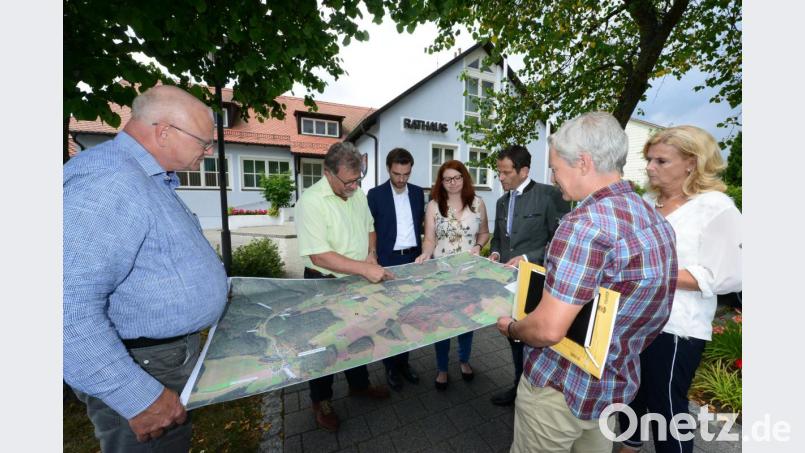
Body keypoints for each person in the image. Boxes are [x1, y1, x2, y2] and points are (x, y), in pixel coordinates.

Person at [495, 112, 678, 453]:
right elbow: (655, 313)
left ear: (582, 162)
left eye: (555, 168)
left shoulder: (583, 225)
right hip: (611, 387)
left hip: (557, 391)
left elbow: (548, 330)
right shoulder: (654, 218)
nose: (553, 178)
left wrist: (513, 329)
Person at [63, 85, 229, 451]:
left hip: (158, 360)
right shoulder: (108, 182)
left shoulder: (144, 178)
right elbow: (62, 306)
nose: (209, 151)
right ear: (164, 132)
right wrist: (136, 396)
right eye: (204, 142)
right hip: (142, 368)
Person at [618, 126, 742, 453]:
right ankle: (629, 445)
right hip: (632, 319)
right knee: (631, 392)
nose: (649, 167)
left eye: (661, 161)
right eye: (649, 159)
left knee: (667, 409)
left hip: (675, 328)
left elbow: (728, 275)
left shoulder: (716, 207)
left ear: (691, 162)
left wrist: (651, 274)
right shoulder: (646, 202)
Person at [295, 141, 393, 432]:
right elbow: (319, 255)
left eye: (358, 179)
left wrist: (371, 254)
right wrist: (365, 268)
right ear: (328, 173)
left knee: (357, 335)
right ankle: (321, 401)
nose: (354, 186)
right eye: (349, 181)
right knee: (324, 344)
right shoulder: (311, 202)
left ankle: (359, 385)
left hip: (357, 278)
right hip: (324, 283)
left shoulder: (357, 193)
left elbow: (370, 227)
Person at [487, 144, 571, 407]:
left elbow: (560, 242)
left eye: (506, 172)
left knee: (536, 338)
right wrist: (496, 253)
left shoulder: (551, 196)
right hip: (509, 283)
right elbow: (499, 239)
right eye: (499, 172)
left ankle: (539, 392)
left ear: (523, 171)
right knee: (514, 337)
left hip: (537, 283)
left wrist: (526, 257)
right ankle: (519, 387)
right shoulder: (501, 202)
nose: (500, 177)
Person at [415, 160, 490, 391]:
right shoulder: (433, 206)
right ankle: (442, 368)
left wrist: (478, 246)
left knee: (467, 318)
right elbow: (430, 239)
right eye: (447, 179)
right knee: (442, 320)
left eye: (457, 177)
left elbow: (484, 233)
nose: (452, 182)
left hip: (469, 273)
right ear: (441, 182)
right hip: (442, 273)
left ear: (464, 178)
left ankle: (464, 360)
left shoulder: (478, 203)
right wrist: (425, 253)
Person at [367, 147, 424, 391]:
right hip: (388, 261)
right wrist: (372, 256)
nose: (401, 179)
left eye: (406, 174)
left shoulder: (418, 193)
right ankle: (390, 366)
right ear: (388, 169)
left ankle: (404, 363)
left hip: (412, 260)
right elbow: (370, 229)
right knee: (389, 317)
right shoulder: (375, 195)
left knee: (408, 315)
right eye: (396, 174)